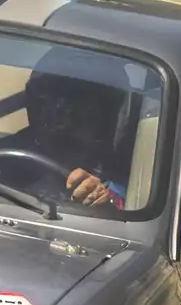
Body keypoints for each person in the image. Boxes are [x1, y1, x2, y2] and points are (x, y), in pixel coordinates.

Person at [22, 51, 136, 208]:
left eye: (76, 99)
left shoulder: (133, 174)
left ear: (108, 113)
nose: (58, 112)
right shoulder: (5, 156)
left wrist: (106, 200)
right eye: (46, 100)